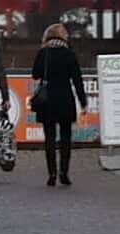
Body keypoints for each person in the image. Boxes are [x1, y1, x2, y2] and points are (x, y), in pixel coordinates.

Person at [30, 24, 88, 188]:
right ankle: (64, 173)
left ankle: (51, 174)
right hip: (65, 99)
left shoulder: (43, 53)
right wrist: (83, 101)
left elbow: (35, 74)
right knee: (65, 138)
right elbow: (77, 79)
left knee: (49, 137)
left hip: (47, 100)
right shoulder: (69, 54)